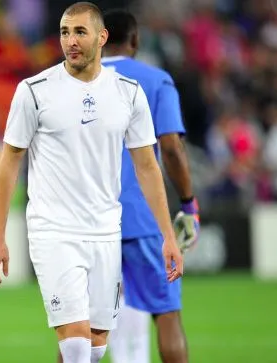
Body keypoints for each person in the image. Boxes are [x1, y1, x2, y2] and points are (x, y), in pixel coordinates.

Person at [0, 3, 183, 363]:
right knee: (75, 341)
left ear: (102, 37)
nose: (70, 41)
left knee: (95, 344)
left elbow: (148, 167)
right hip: (54, 231)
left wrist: (167, 234)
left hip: (107, 231)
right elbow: (9, 163)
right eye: (64, 32)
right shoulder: (34, 91)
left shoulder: (129, 92)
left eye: (79, 32)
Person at [101, 10, 200, 363]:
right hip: (143, 219)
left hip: (89, 221)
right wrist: (188, 205)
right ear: (135, 40)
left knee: (79, 329)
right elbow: (171, 148)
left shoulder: (74, 83)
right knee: (167, 315)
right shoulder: (155, 80)